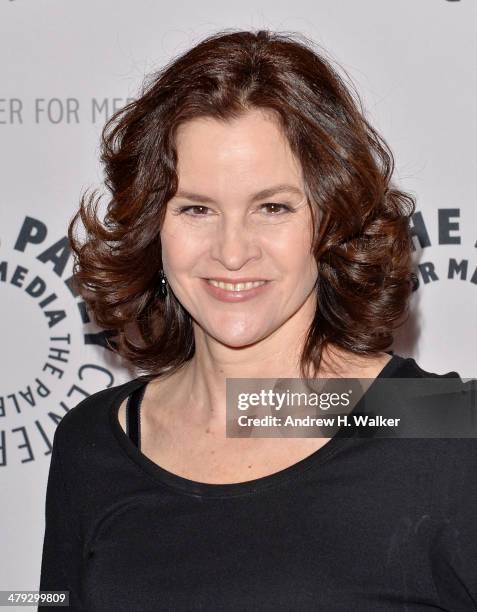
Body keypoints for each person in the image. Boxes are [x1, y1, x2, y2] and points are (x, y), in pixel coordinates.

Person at [38, 29, 477, 611]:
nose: (233, 250)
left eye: (272, 207)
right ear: (153, 228)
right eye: (196, 208)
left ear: (330, 220)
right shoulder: (94, 441)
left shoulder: (447, 431)